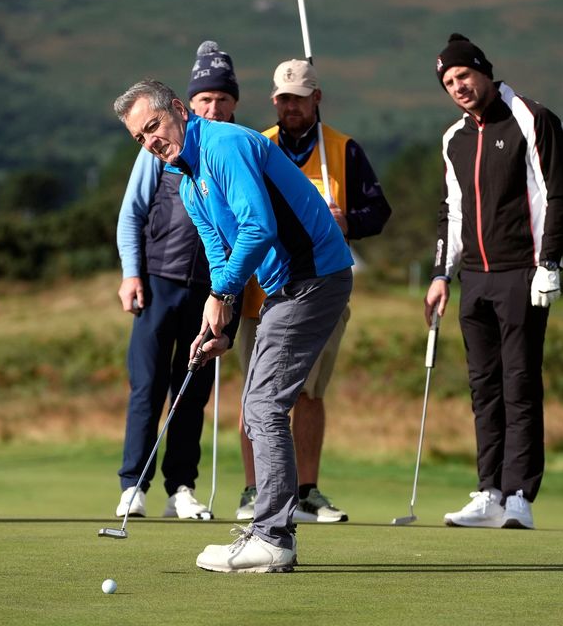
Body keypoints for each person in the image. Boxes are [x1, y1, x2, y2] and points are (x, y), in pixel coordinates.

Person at [113, 79, 353, 573]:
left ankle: (272, 536)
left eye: (153, 126)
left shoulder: (225, 144)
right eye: (140, 138)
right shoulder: (187, 174)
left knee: (263, 404)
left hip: (314, 275)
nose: (151, 141)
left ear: (178, 110)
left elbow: (258, 228)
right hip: (286, 284)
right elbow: (219, 249)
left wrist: (222, 295)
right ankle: (272, 533)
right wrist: (217, 316)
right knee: (259, 403)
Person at [423, 34, 563, 530]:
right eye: (448, 82)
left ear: (484, 71)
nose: (458, 87)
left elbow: (560, 195)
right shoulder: (454, 139)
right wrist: (441, 274)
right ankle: (488, 490)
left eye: (463, 76)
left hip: (522, 273)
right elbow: (453, 212)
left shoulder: (532, 118)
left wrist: (549, 263)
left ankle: (519, 497)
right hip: (475, 279)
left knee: (519, 382)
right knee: (483, 387)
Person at [233, 59, 391, 523]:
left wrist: (349, 222)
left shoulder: (342, 149)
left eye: (299, 98)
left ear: (316, 98)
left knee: (309, 392)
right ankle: (253, 490)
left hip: (322, 290)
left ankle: (305, 491)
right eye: (283, 98)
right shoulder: (256, 145)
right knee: (256, 393)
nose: (290, 107)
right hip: (262, 292)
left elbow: (377, 211)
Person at [113, 41, 241, 521]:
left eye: (223, 99)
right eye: (206, 99)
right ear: (188, 105)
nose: (215, 107)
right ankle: (133, 484)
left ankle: (181, 487)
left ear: (233, 104)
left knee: (191, 390)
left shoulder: (233, 149)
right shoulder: (158, 148)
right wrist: (131, 274)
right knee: (146, 385)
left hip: (211, 291)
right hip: (158, 282)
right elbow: (131, 216)